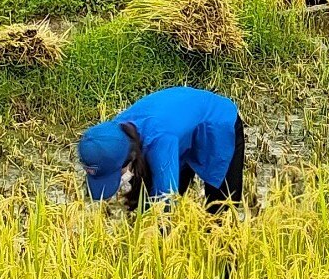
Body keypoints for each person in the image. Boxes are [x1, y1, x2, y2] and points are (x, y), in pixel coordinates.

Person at [78, 87, 245, 213]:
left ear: (130, 158)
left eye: (117, 174)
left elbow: (166, 203)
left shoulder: (161, 144)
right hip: (178, 123)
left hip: (217, 125)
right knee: (147, 204)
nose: (121, 180)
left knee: (222, 210)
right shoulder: (113, 135)